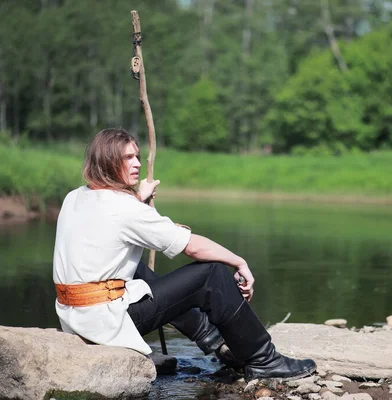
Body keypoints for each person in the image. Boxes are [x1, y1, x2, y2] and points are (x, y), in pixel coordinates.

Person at [52, 128, 316, 380]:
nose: (137, 164)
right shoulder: (126, 208)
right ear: (108, 162)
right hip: (104, 321)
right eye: (128, 158)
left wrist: (136, 199)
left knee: (135, 268)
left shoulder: (75, 197)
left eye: (138, 156)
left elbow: (110, 219)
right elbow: (191, 246)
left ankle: (214, 340)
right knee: (210, 275)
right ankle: (265, 361)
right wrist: (239, 261)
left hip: (74, 317)